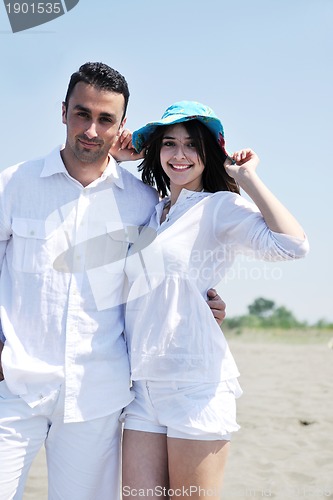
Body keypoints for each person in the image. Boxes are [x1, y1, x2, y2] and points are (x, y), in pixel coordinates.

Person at [0, 66, 226, 500]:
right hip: (15, 387)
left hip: (97, 396)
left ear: (121, 126)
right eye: (81, 114)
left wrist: (206, 303)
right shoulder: (14, 184)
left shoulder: (140, 201)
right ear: (63, 112)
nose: (91, 129)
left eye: (105, 119)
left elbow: (168, 272)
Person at [120, 101, 309, 499]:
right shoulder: (152, 212)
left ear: (209, 152)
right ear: (157, 151)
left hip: (195, 385)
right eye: (169, 143)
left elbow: (293, 246)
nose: (180, 154)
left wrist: (246, 177)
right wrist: (116, 159)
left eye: (192, 145)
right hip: (140, 388)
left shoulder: (219, 207)